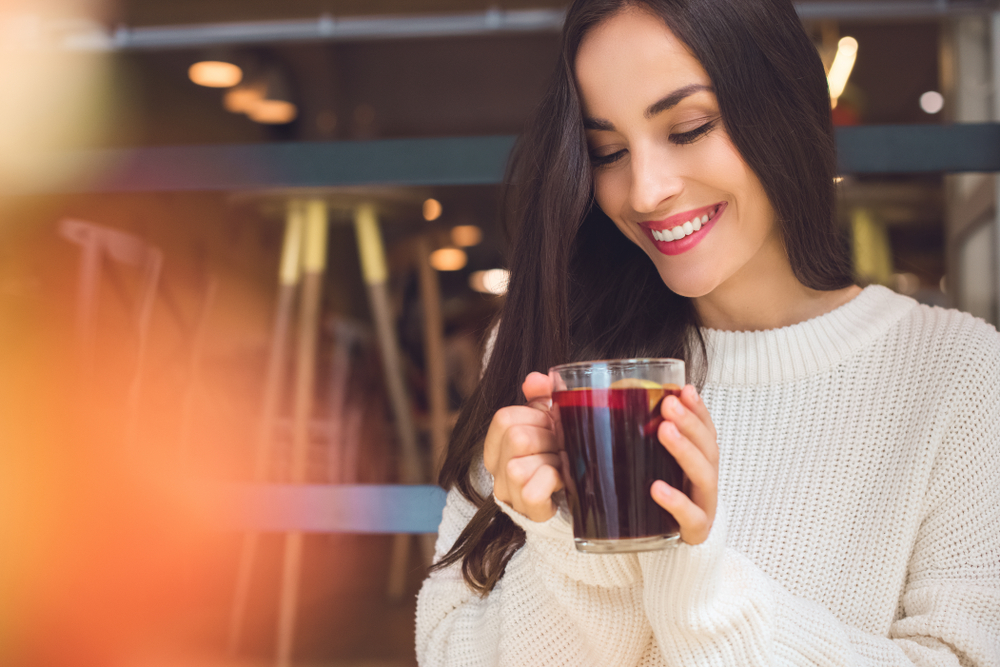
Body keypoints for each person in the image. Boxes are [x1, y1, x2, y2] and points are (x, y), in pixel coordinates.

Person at [415, 0, 1000, 665]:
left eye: (688, 127)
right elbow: (447, 652)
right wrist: (571, 552)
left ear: (782, 107)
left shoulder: (959, 372)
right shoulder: (557, 366)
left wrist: (710, 597)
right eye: (607, 150)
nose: (645, 190)